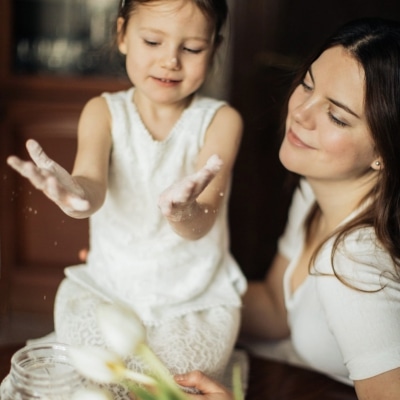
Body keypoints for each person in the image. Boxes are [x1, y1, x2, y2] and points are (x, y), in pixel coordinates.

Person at [6, 0, 246, 392]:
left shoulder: (221, 121)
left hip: (194, 301)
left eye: (192, 49)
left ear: (215, 47)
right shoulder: (102, 112)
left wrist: (182, 212)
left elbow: (201, 221)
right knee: (90, 375)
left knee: (176, 383)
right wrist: (75, 195)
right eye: (153, 41)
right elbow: (91, 186)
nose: (170, 60)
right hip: (108, 288)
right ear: (122, 35)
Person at [174, 17, 400, 400]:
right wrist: (153, 280)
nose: (301, 112)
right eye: (307, 85)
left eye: (336, 116)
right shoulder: (316, 192)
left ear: (383, 150)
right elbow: (277, 310)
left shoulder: (356, 267)